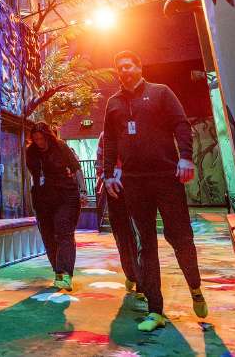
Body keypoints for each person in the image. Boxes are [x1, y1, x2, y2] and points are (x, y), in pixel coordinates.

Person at [102, 50, 207, 332]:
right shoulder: (113, 104)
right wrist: (107, 174)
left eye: (129, 65)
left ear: (139, 66)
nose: (124, 70)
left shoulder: (161, 92)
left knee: (180, 236)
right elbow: (110, 141)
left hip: (166, 177)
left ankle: (195, 288)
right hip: (134, 183)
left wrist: (185, 157)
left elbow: (181, 126)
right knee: (145, 244)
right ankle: (155, 310)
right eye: (120, 67)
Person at [26, 122, 88, 291]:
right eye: (35, 139)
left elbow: (76, 169)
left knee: (64, 230)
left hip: (65, 195)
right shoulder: (31, 152)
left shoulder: (60, 146)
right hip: (43, 198)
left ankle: (66, 273)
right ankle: (58, 272)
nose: (39, 142)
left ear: (48, 136)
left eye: (42, 138)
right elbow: (34, 177)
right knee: (48, 236)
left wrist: (83, 191)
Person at [95, 137, 141, 299]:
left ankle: (141, 279)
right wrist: (105, 177)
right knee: (122, 236)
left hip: (137, 187)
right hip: (114, 190)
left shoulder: (139, 129)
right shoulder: (105, 137)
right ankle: (131, 273)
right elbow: (99, 164)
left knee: (140, 234)